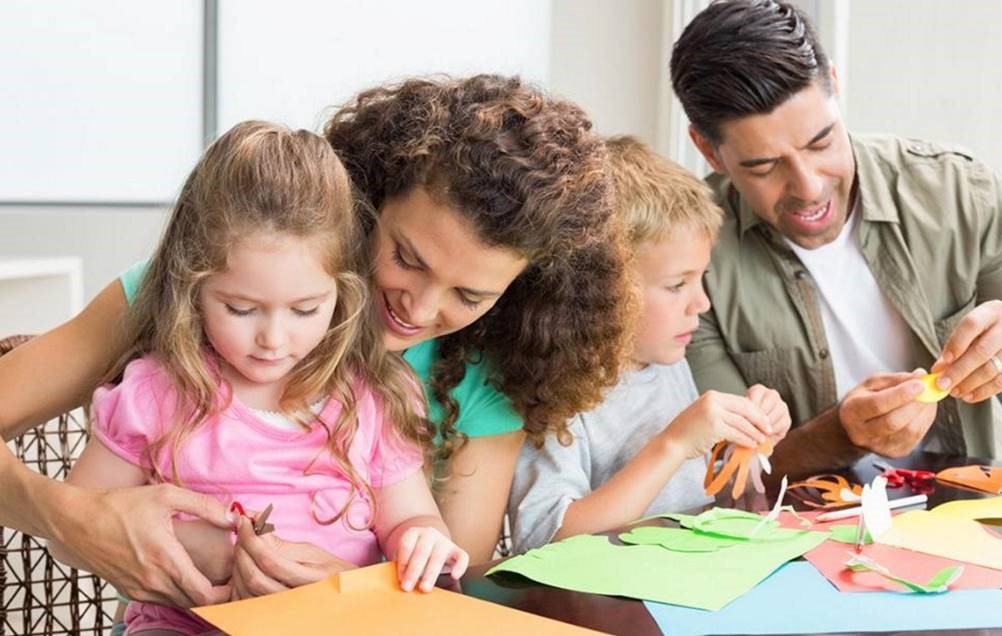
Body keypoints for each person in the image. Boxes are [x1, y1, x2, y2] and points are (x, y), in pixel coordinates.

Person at [0, 74, 632, 599]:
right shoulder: (203, 287)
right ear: (368, 201)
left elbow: (441, 577)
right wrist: (73, 518)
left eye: (470, 295)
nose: (418, 308)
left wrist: (349, 586)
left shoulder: (477, 374)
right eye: (406, 257)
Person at [47, 121, 469, 635]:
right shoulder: (158, 391)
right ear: (192, 287)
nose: (274, 338)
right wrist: (192, 549)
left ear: (344, 292)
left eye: (305, 309)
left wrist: (422, 541)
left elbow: (410, 521)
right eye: (242, 309)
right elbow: (70, 530)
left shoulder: (374, 393)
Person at [670, 0, 1002, 477]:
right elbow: (726, 472)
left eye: (821, 142)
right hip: (807, 535)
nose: (808, 187)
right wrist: (842, 434)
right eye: (764, 166)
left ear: (834, 83)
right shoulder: (690, 260)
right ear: (709, 151)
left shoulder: (960, 194)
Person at [506, 136, 791, 552]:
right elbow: (546, 538)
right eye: (677, 285)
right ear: (600, 290)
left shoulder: (666, 360)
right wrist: (673, 443)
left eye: (701, 278)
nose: (702, 302)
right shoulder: (556, 388)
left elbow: (696, 500)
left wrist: (745, 447)